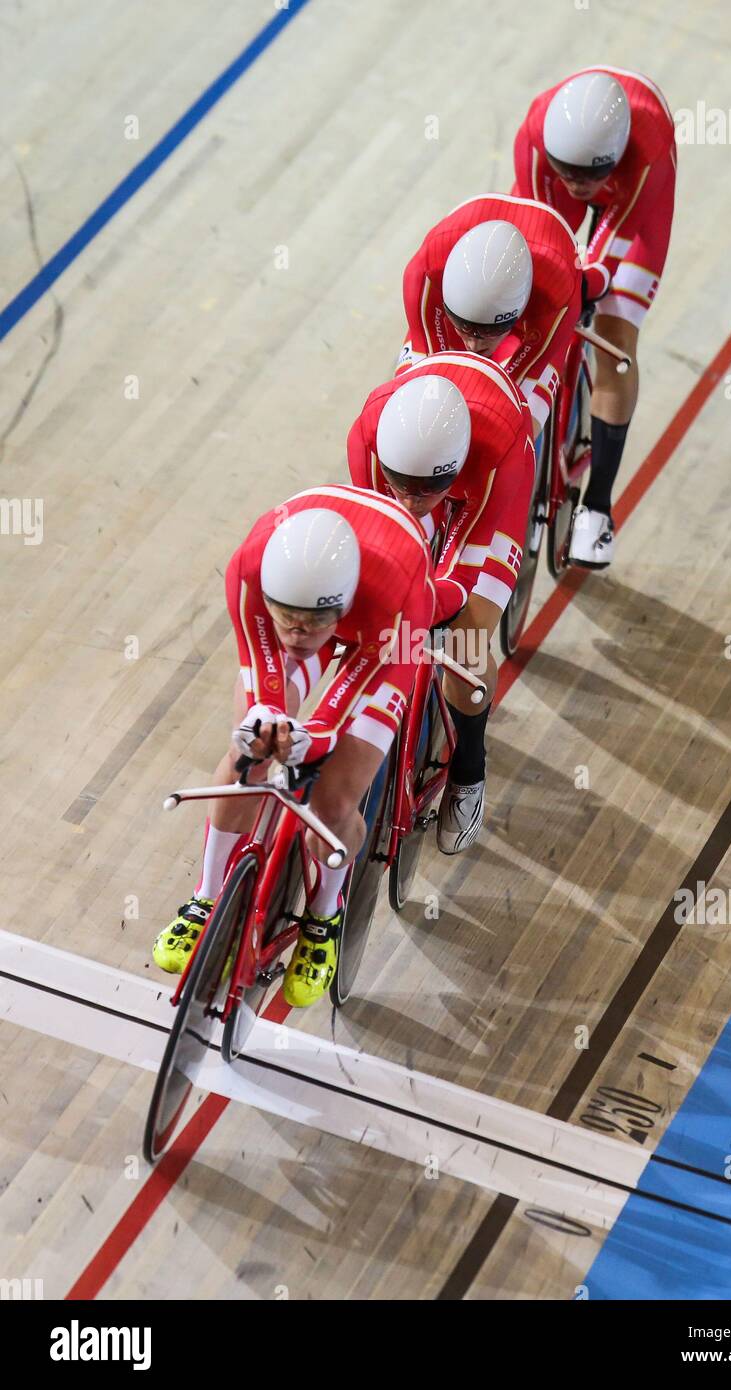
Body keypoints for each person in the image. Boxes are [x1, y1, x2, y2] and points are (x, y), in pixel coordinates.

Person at [152, 486, 435, 1007]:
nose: (300, 632)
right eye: (288, 617)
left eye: (314, 623)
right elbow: (264, 677)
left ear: (342, 605)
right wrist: (270, 728)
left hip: (386, 636)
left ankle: (324, 914)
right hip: (338, 602)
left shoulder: (396, 594)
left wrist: (316, 736)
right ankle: (205, 897)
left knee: (331, 801)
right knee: (248, 755)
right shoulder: (250, 569)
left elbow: (346, 701)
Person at [348, 357, 535, 853]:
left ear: (451, 472)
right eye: (400, 485)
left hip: (489, 495)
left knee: (468, 641)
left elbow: (459, 583)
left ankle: (469, 769)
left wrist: (430, 609)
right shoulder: (368, 435)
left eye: (428, 490)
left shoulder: (498, 454)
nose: (411, 501)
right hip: (444, 466)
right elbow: (378, 535)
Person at [512, 67, 676, 569]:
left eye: (589, 176)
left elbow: (606, 263)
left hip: (634, 202)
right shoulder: (537, 139)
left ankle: (598, 509)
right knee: (523, 286)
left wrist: (588, 284)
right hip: (582, 174)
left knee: (615, 341)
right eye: (569, 173)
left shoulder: (646, 150)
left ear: (612, 157)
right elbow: (535, 233)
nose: (580, 186)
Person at [397, 194, 585, 439]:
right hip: (455, 249)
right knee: (413, 401)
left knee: (515, 431)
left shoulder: (556, 289)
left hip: (549, 289)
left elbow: (521, 380)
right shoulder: (425, 270)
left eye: (490, 331)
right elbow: (430, 373)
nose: (473, 344)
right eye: (463, 326)